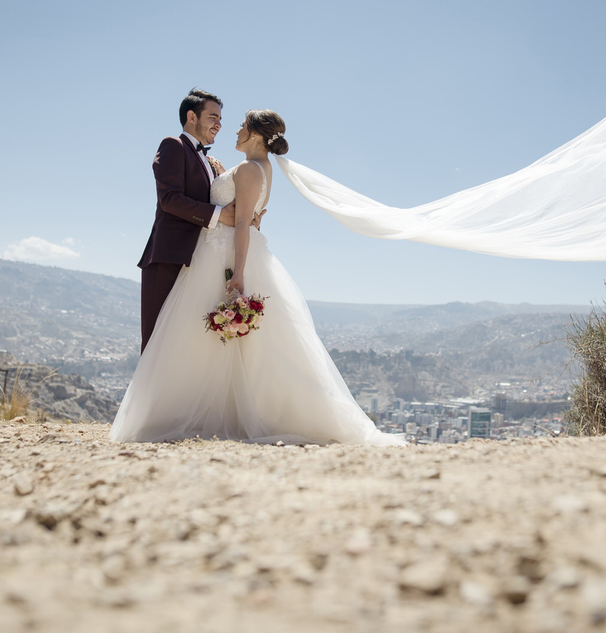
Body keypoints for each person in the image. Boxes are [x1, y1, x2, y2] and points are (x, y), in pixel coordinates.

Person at [112, 109, 402, 446]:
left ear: (254, 134)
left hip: (222, 256)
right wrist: (223, 175)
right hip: (215, 251)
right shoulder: (253, 168)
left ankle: (207, 414)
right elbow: (245, 215)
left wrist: (238, 273)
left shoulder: (251, 169)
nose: (234, 130)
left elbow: (241, 225)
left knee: (205, 335)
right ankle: (220, 412)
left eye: (241, 126)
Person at [136, 88, 240, 353]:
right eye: (213, 117)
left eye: (220, 118)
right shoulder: (173, 145)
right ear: (191, 116)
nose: (219, 124)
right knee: (156, 341)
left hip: (198, 262)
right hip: (168, 258)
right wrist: (219, 216)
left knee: (182, 345)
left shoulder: (207, 159)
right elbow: (169, 198)